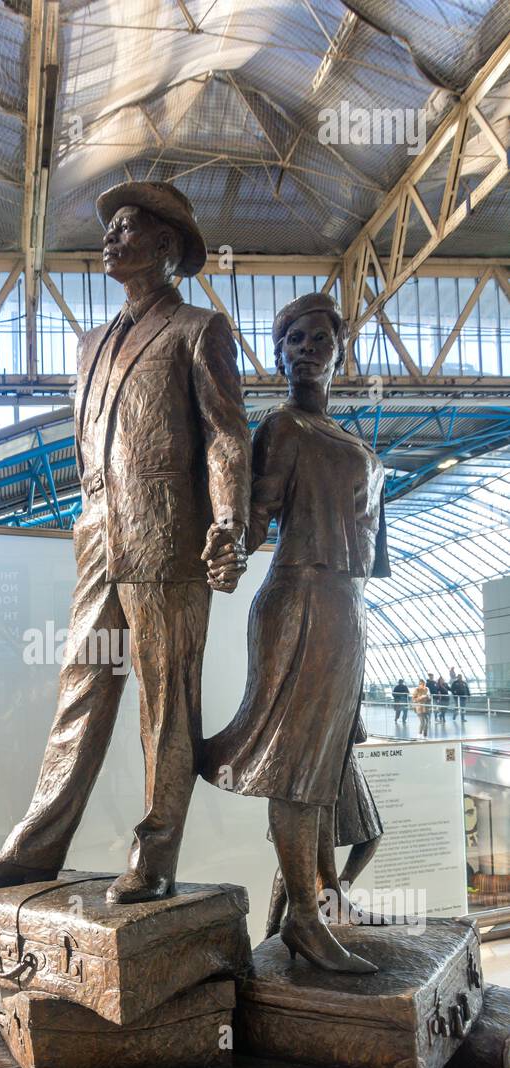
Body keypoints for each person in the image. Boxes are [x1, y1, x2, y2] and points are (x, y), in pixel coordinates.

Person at [0, 180, 251, 905]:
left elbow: (227, 436)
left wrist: (230, 523)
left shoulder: (197, 330)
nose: (110, 240)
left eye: (127, 229)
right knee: (79, 695)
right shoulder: (89, 346)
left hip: (170, 545)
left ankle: (155, 856)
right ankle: (33, 850)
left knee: (166, 705)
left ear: (167, 248)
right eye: (109, 230)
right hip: (99, 544)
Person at [203, 290, 389, 974]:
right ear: (280, 356)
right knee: (295, 766)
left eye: (318, 339)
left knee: (326, 763)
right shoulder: (282, 428)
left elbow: (373, 561)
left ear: (340, 352)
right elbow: (255, 518)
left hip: (348, 609)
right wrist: (224, 544)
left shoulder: (365, 454)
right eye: (294, 341)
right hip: (297, 599)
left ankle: (327, 900)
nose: (307, 350)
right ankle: (306, 921)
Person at [265, 715, 383, 935]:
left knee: (370, 835)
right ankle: (274, 927)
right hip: (319, 768)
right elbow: (359, 734)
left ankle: (333, 897)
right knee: (294, 851)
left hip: (336, 769)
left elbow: (359, 734)